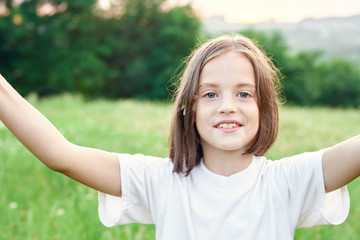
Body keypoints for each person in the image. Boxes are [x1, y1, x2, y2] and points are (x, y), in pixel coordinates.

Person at [0, 34, 359, 240]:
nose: (228, 106)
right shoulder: (159, 180)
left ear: (265, 108)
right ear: (188, 108)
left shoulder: (288, 181)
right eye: (210, 94)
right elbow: (59, 154)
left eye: (244, 94)